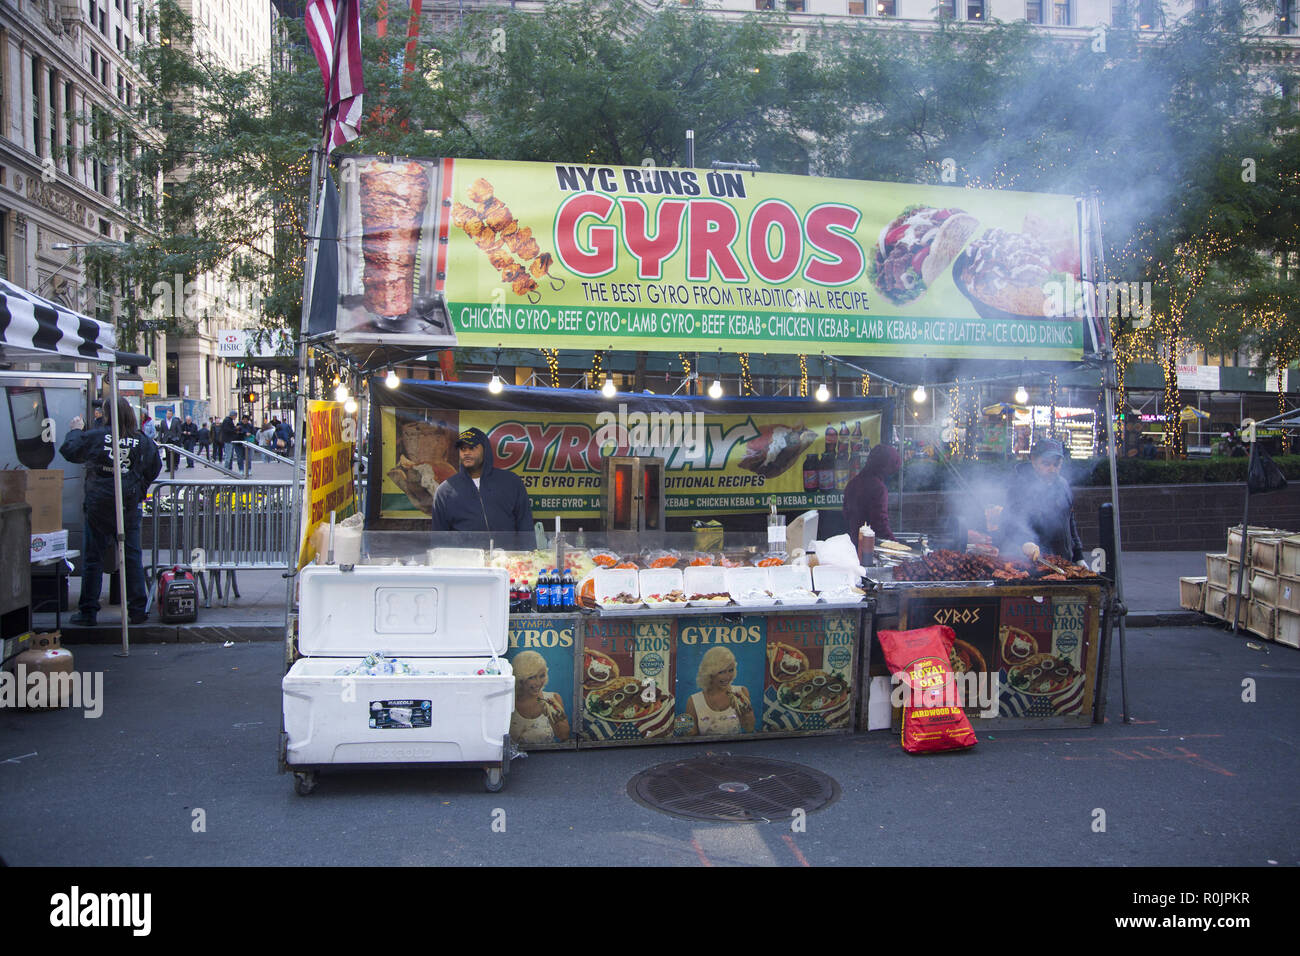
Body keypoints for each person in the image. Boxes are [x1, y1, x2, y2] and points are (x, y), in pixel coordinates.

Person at [59, 397, 162, 627]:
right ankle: (136, 609)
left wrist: (76, 430)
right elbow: (154, 467)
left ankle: (88, 612)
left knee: (93, 558)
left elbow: (69, 450)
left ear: (107, 415)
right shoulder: (141, 440)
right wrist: (138, 486)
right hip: (127, 503)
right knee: (132, 556)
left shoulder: (96, 436)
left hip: (98, 503)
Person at [431, 427, 533, 533]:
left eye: (472, 448)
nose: (466, 453)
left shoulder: (511, 482)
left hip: (507, 550)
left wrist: (529, 549)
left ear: (485, 449)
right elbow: (439, 540)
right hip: (465, 549)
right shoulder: (445, 491)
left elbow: (526, 527)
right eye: (463, 449)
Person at [998, 438, 1084, 564]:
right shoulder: (1020, 486)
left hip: (1064, 562)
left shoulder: (1063, 485)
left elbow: (1070, 521)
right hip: (1032, 562)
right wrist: (1025, 542)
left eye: (1056, 464)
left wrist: (1079, 556)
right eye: (1046, 463)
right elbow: (1010, 521)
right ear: (1033, 460)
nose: (1052, 469)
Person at [842, 443, 902, 546]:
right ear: (885, 467)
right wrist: (897, 545)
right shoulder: (878, 488)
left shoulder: (853, 483)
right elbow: (880, 525)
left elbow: (846, 514)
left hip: (853, 544)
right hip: (869, 548)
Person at [686, 647, 753, 735]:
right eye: (721, 672)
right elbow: (690, 738)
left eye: (731, 670)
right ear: (709, 673)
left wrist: (745, 712)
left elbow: (749, 728)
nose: (727, 677)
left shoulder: (741, 692)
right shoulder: (694, 701)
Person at [509, 651, 570, 744]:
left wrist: (556, 714)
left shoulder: (553, 698)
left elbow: (563, 736)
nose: (538, 682)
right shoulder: (508, 701)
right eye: (531, 677)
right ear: (520, 679)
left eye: (542, 676)